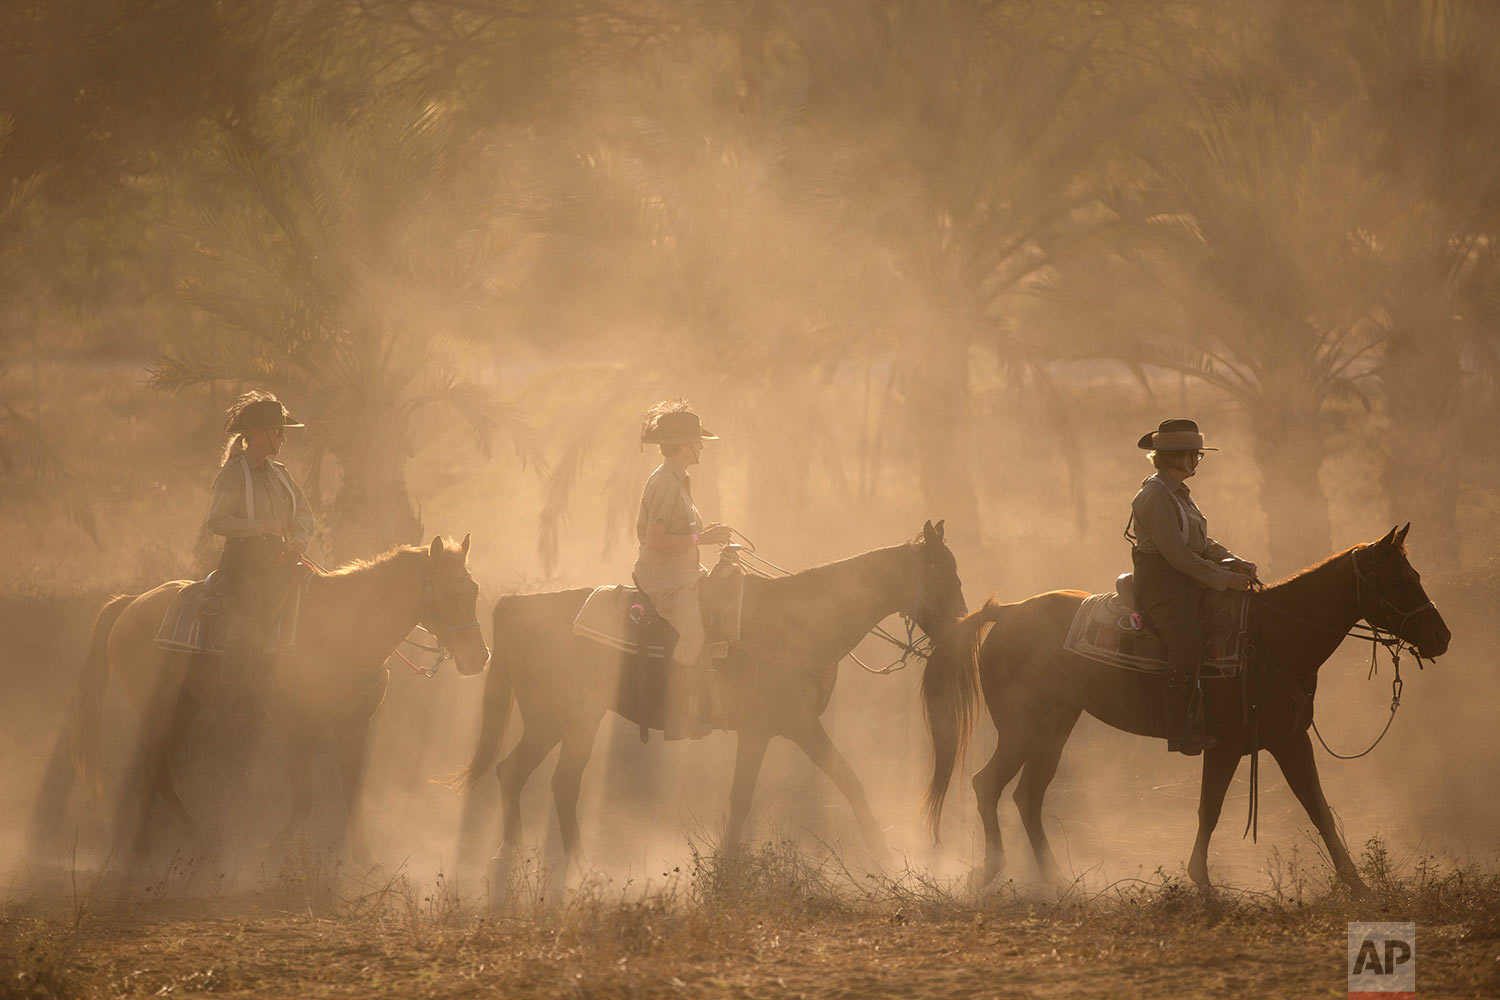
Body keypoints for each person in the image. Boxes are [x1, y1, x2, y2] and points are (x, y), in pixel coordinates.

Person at [1126, 418, 1256, 755]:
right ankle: (1180, 730)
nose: (1197, 461)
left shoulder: (1179, 493)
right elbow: (1178, 556)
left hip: (1185, 574)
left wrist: (1233, 560)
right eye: (1193, 455)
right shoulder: (1155, 496)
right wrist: (1226, 579)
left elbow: (1202, 543)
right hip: (1163, 582)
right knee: (1186, 640)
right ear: (1176, 457)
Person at [203, 390, 316, 712]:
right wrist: (260, 527)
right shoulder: (232, 474)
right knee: (249, 616)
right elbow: (217, 521)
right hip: (243, 567)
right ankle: (231, 692)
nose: (283, 438)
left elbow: (305, 515)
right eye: (279, 431)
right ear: (259, 435)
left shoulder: (282, 474)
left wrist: (300, 538)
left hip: (280, 562)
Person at [634, 401, 732, 734]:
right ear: (683, 446)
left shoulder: (679, 480)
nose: (702, 446)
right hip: (664, 579)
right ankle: (673, 711)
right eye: (697, 441)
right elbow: (656, 539)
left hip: (683, 574)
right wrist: (702, 539)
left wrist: (705, 537)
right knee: (692, 635)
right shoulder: (664, 482)